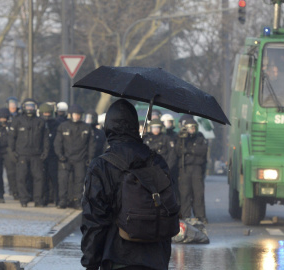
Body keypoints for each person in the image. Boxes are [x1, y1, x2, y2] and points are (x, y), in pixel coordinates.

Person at [81, 99, 173, 270]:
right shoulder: (157, 161)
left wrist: (90, 262)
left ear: (108, 127)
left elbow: (94, 220)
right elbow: (168, 208)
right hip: (155, 259)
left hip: (117, 257)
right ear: (134, 126)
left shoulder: (101, 166)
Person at [8, 98, 49, 207]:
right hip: (21, 154)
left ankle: (38, 199)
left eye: (32, 106)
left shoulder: (40, 121)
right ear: (23, 107)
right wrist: (12, 151)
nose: (30, 109)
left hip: (37, 155)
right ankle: (24, 199)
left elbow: (45, 138)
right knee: (21, 178)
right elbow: (12, 138)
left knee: (39, 178)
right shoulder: (17, 121)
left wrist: (45, 151)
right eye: (28, 106)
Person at [54, 104, 95, 209]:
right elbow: (58, 143)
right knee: (63, 180)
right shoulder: (63, 126)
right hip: (65, 159)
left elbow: (91, 144)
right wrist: (60, 155)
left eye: (79, 115)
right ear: (70, 115)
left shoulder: (86, 127)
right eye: (75, 114)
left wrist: (90, 158)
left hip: (80, 159)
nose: (77, 116)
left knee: (79, 181)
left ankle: (77, 201)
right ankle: (63, 201)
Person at [175, 118, 208, 224]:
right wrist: (182, 140)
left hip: (196, 168)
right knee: (185, 193)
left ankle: (200, 215)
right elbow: (178, 152)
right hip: (184, 168)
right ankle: (185, 215)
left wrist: (189, 151)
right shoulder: (181, 138)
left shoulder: (200, 137)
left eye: (194, 127)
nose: (192, 130)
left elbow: (202, 151)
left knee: (198, 193)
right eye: (190, 128)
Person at [39, 102, 60, 205]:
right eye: (45, 113)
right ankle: (44, 199)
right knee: (43, 179)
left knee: (54, 178)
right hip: (41, 155)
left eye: (48, 113)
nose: (46, 115)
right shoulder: (38, 123)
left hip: (53, 155)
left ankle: (56, 198)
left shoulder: (56, 124)